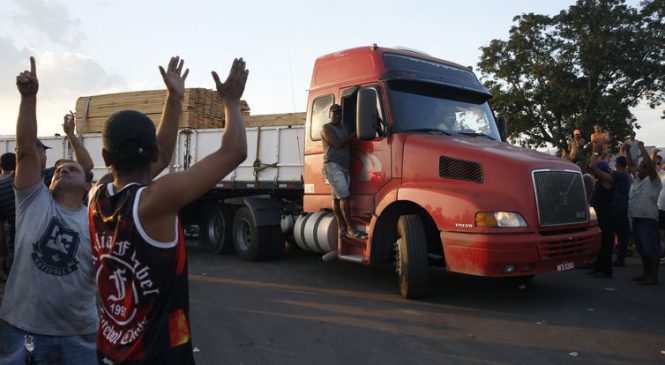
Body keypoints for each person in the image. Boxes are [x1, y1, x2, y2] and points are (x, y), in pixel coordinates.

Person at [89, 57, 247, 364]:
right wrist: (231, 102)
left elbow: (158, 159)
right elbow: (235, 151)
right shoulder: (155, 202)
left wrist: (173, 99)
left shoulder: (97, 194)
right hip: (157, 356)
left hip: (109, 349)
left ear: (106, 156)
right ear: (152, 154)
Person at [0, 57, 97, 363]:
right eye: (57, 169)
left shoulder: (95, 218)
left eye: (70, 169)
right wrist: (29, 98)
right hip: (23, 329)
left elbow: (88, 165)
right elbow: (27, 150)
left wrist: (70, 135)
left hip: (80, 334)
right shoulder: (33, 200)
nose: (61, 171)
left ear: (86, 186)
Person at [320, 104, 367, 240]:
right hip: (332, 166)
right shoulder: (326, 128)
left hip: (343, 167)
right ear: (329, 114)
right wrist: (353, 134)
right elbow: (337, 143)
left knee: (336, 199)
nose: (337, 115)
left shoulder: (344, 127)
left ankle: (342, 229)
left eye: (339, 113)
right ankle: (351, 229)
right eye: (334, 113)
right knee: (344, 197)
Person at [624, 141, 662, 285]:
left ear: (649, 169)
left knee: (651, 249)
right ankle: (646, 273)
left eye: (642, 167)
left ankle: (653, 277)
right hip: (637, 219)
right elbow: (630, 165)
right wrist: (627, 151)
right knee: (642, 249)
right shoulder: (638, 180)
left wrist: (641, 149)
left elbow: (649, 165)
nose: (639, 169)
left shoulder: (654, 181)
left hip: (648, 220)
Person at [587, 144, 615, 278]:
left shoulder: (607, 179)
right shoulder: (600, 180)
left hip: (606, 216)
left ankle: (606, 269)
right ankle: (597, 267)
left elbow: (592, 166)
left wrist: (596, 153)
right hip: (599, 216)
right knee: (599, 243)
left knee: (605, 243)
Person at [610, 156, 632, 267]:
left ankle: (620, 258)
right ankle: (621, 256)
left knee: (619, 233)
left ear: (618, 164)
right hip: (623, 206)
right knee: (621, 233)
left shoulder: (620, 174)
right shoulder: (626, 174)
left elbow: (608, 173)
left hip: (618, 207)